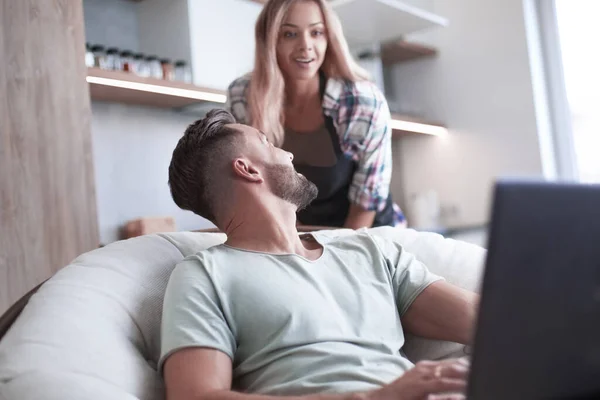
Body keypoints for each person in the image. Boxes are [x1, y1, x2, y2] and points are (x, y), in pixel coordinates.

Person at [161, 109, 479, 400]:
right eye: (268, 143)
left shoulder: (369, 250)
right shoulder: (205, 275)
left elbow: (488, 323)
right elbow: (196, 396)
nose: (288, 153)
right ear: (247, 169)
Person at [227, 0, 405, 230]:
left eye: (316, 32)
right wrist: (298, 243)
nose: (306, 46)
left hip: (367, 233)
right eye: (290, 34)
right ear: (269, 40)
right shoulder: (243, 97)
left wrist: (335, 255)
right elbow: (251, 188)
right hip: (298, 236)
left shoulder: (361, 102)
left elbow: (367, 203)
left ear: (329, 38)